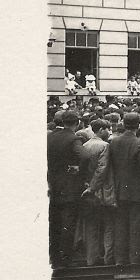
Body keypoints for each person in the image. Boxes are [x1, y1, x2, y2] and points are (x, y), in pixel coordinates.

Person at [108, 112, 140, 265]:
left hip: (119, 189)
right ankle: (134, 259)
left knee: (120, 225)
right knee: (136, 225)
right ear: (139, 124)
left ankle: (120, 259)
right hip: (137, 191)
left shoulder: (114, 142)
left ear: (123, 123)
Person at [47, 110, 85, 267]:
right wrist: (79, 169)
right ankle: (66, 258)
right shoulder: (73, 139)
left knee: (54, 223)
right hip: (69, 187)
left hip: (52, 185)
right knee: (68, 224)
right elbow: (84, 156)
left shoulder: (50, 137)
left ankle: (54, 257)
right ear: (76, 123)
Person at [78, 118, 115, 266]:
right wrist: (93, 188)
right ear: (101, 130)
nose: (109, 132)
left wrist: (87, 187)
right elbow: (102, 169)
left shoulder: (84, 145)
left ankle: (91, 259)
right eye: (107, 129)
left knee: (92, 227)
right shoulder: (104, 146)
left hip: (87, 192)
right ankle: (108, 258)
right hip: (102, 191)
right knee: (108, 225)